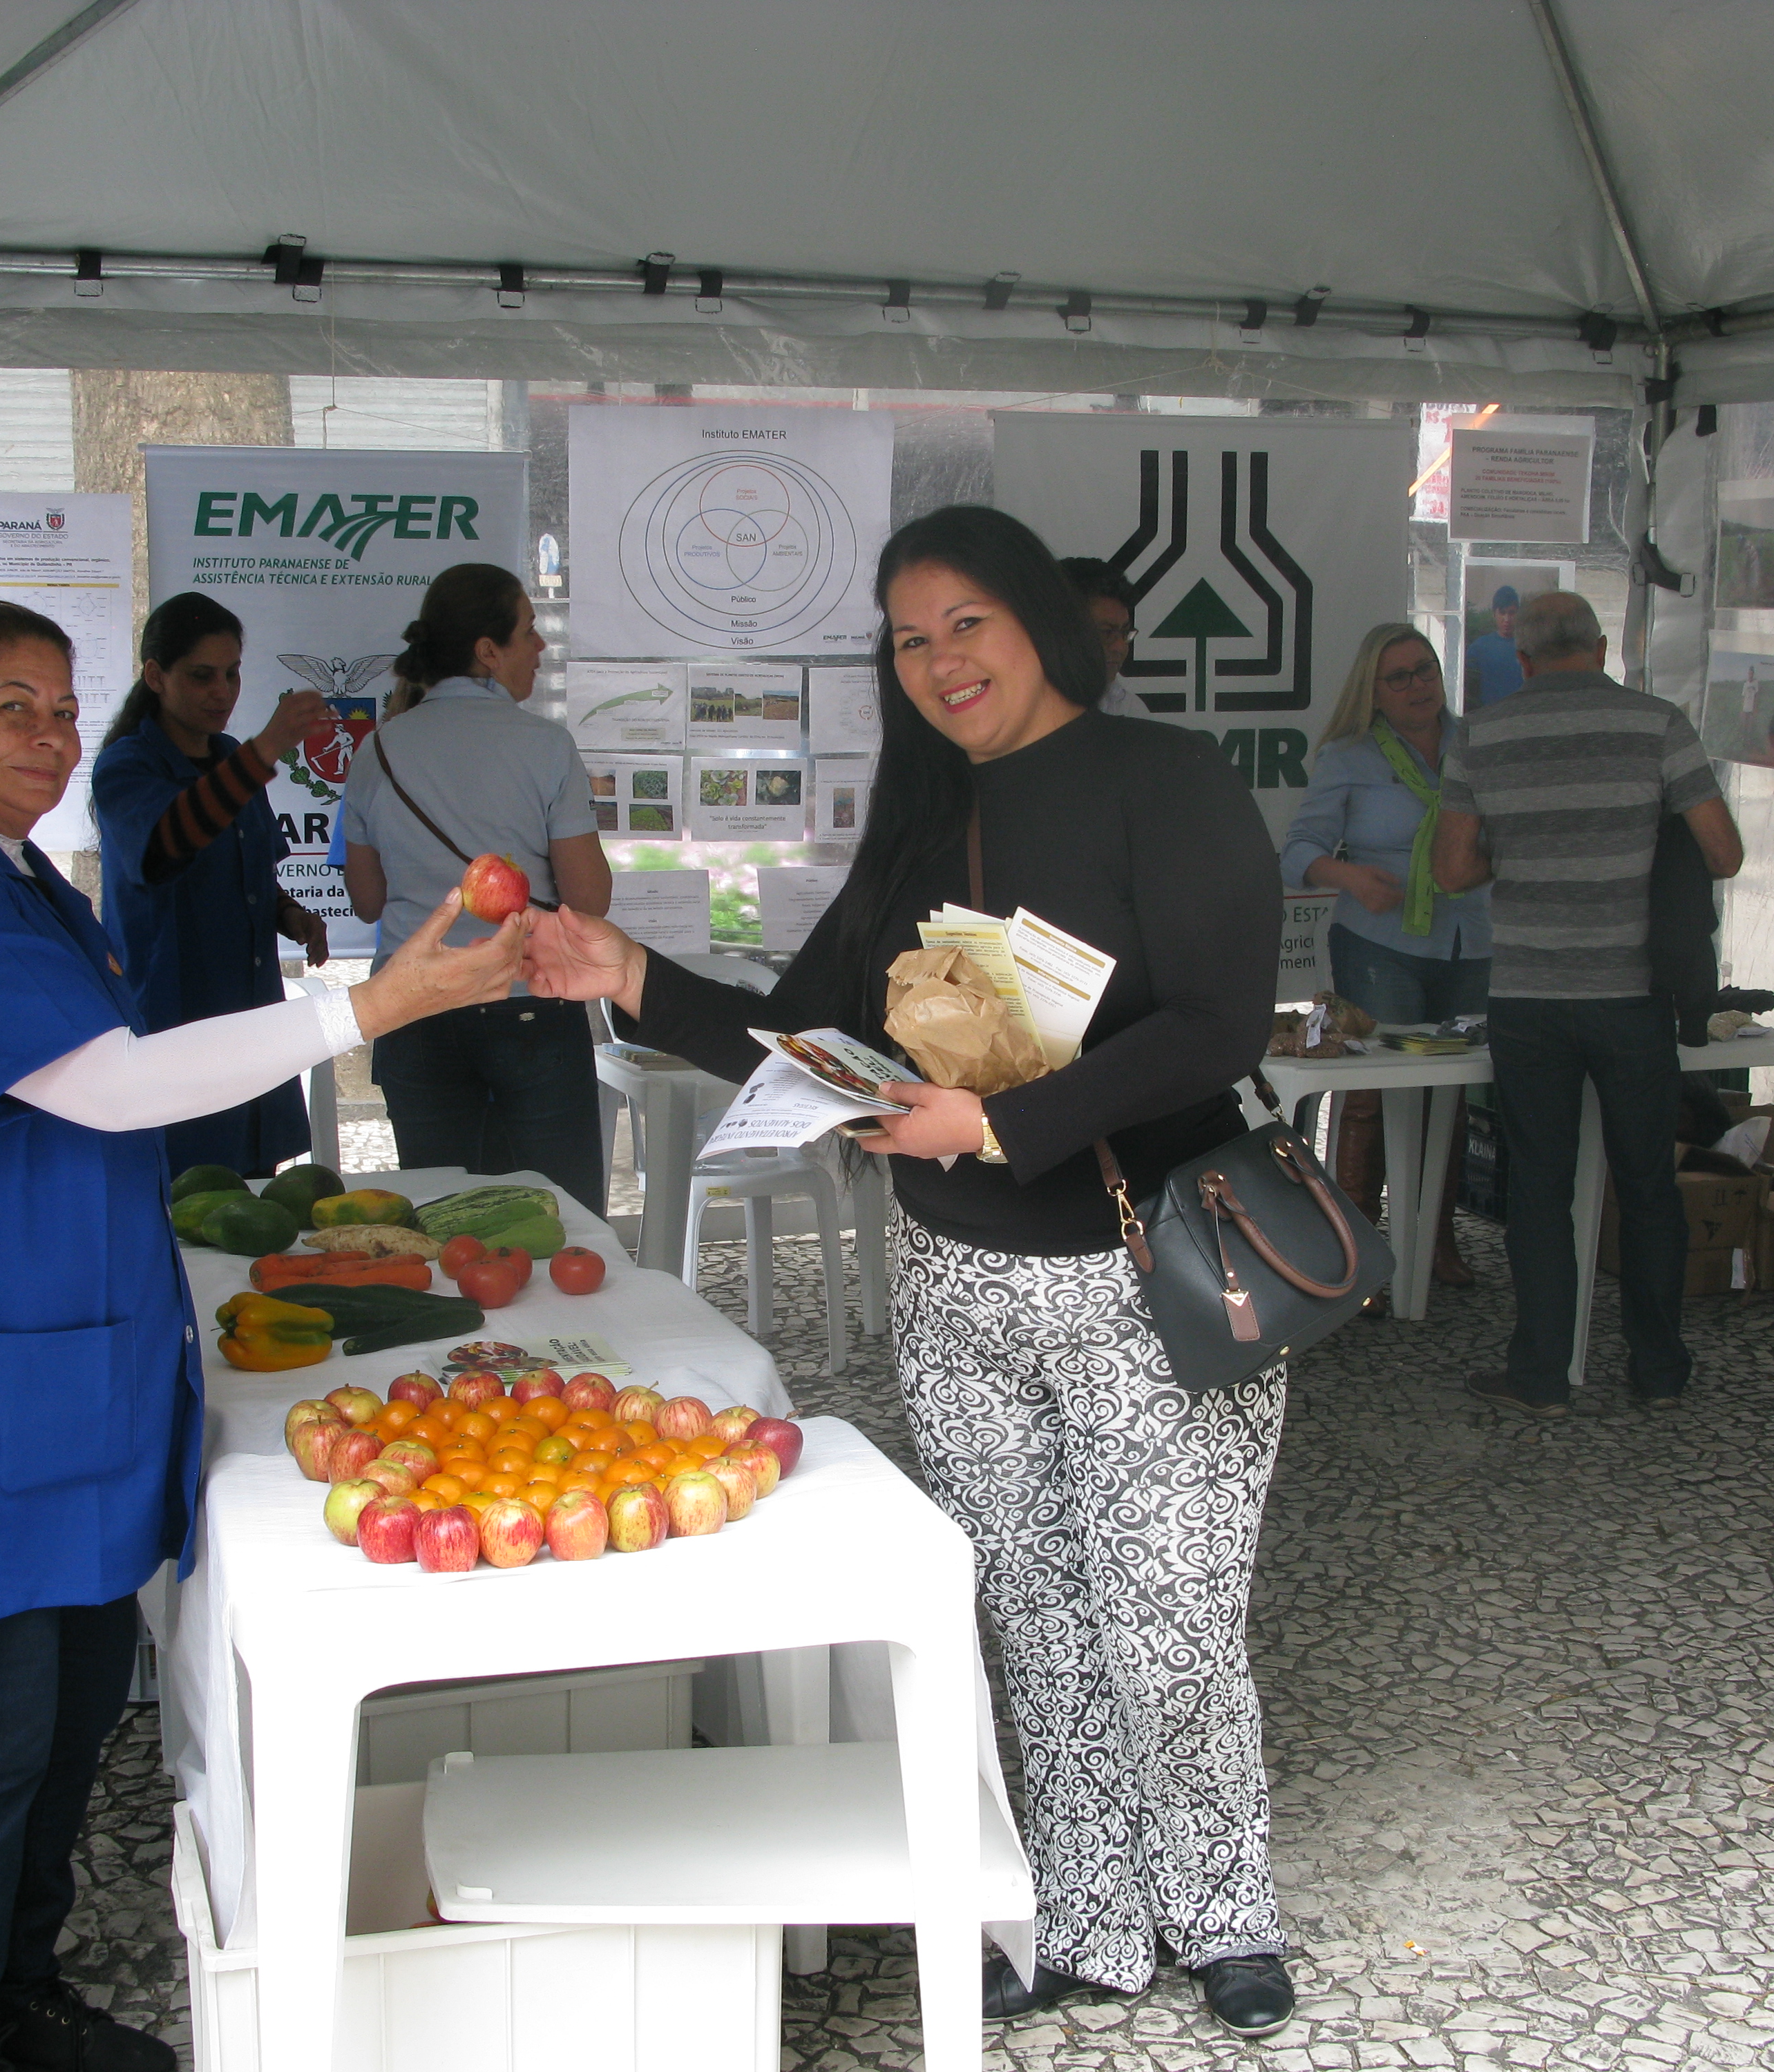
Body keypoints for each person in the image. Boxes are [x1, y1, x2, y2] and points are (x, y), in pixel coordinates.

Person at [524, 507, 1297, 2041]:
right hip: (956, 1285)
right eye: (907, 636)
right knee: (1030, 1613)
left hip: (1146, 1270)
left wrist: (996, 1120)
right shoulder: (918, 823)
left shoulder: (1166, 781)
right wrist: (628, 977)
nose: (939, 659)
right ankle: (1084, 1921)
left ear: (1036, 620)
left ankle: (1222, 1910)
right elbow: (805, 1034)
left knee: (1171, 1619)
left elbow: (1217, 1024)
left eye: (966, 622)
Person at [0, 599, 528, 2072]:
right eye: (10, 707)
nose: (51, 738)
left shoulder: (11, 880)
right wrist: (366, 1007)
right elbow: (110, 1088)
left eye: (62, 709)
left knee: (65, 1719)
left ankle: (15, 1993)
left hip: (48, 1370)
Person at [1432, 591, 1743, 1416]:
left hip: (1529, 996)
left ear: (1523, 658)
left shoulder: (1482, 736)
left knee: (1540, 1184)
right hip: (1631, 992)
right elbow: (1723, 851)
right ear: (1601, 648)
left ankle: (1539, 1374)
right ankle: (1658, 1368)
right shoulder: (1658, 724)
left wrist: (1526, 847)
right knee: (1646, 1182)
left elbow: (1452, 871)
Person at [339, 564, 613, 1209]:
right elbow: (589, 900)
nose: (541, 647)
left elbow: (367, 901)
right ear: (487, 652)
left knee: (445, 1218)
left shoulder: (376, 752)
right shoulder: (545, 747)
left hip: (416, 1011)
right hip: (530, 1001)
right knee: (561, 1218)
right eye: (528, 631)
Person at [92, 591, 332, 1177]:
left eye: (231, 674)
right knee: (185, 1198)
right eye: (202, 676)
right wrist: (267, 748)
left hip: (249, 1016)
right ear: (156, 675)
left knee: (254, 1202)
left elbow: (254, 873)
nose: (221, 692)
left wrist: (291, 915)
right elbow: (171, 841)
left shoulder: (229, 758)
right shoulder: (127, 767)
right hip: (174, 1020)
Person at [1282, 622, 1492, 1287]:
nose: (1418, 686)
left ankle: (1435, 1239)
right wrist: (1349, 877)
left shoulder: (1478, 746)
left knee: (1450, 1095)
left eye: (1426, 669)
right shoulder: (1350, 756)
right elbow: (1298, 851)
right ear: (1373, 691)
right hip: (1382, 943)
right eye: (1399, 676)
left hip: (1472, 939)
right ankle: (1359, 1250)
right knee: (1373, 1093)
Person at [1060, 555, 1151, 716]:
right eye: (1106, 632)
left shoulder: (1127, 709)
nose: (1120, 647)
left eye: (1125, 633)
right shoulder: (1014, 713)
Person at [1465, 584, 1525, 707]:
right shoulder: (1479, 649)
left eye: (1512, 613)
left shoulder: (1528, 647)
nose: (1507, 619)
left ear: (1518, 614)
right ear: (1494, 614)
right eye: (1502, 613)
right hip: (1487, 717)